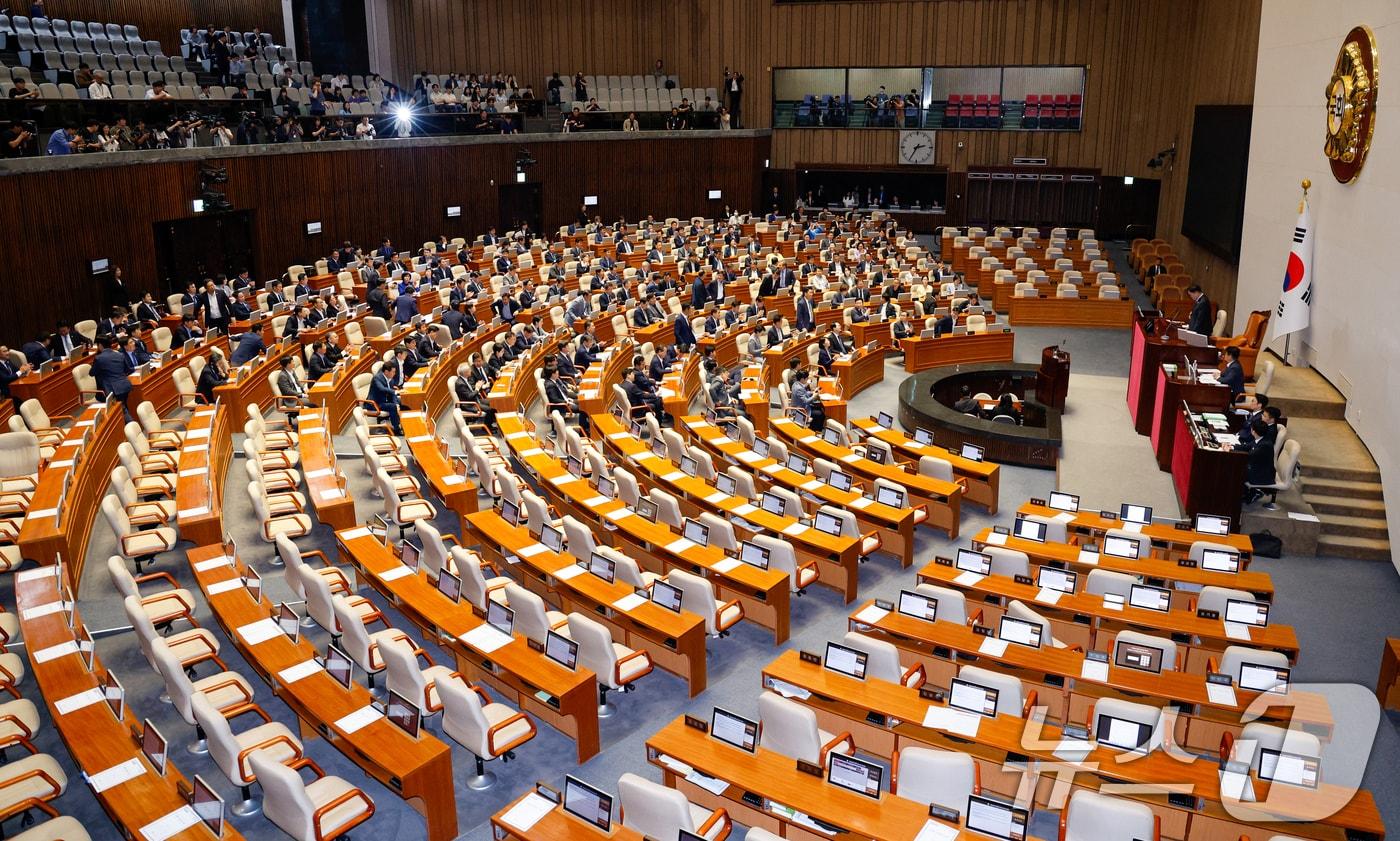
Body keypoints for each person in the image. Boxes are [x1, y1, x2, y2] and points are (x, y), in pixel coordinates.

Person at [1241, 418, 1278, 504]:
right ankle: (1245, 493)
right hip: (1258, 468)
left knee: (1238, 472)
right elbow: (1246, 447)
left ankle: (1251, 493)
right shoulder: (1261, 438)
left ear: (1253, 431)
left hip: (1262, 475)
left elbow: (1250, 456)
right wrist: (1231, 447)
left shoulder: (1264, 445)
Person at [91, 336, 132, 405]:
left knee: (121, 408)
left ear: (100, 345)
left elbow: (92, 373)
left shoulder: (99, 358)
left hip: (111, 391)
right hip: (125, 386)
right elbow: (127, 370)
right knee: (124, 406)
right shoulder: (120, 355)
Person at [368, 359, 404, 434]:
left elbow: (392, 394)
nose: (394, 373)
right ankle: (397, 429)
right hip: (375, 403)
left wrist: (396, 403)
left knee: (401, 401)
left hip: (385, 400)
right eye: (393, 372)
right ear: (386, 372)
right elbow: (382, 389)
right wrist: (395, 392)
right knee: (392, 406)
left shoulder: (390, 378)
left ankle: (403, 424)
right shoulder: (377, 378)